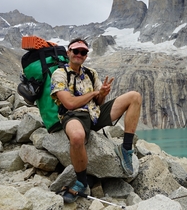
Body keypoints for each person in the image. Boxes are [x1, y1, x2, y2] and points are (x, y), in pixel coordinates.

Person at [50, 37, 142, 204]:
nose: (79, 54)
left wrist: (102, 95)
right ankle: (81, 182)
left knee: (134, 97)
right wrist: (94, 94)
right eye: (76, 51)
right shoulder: (59, 74)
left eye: (83, 52)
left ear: (86, 55)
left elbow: (99, 103)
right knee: (77, 137)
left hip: (95, 114)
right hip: (73, 116)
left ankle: (126, 149)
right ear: (68, 52)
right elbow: (69, 103)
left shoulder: (91, 74)